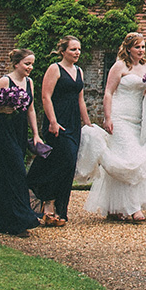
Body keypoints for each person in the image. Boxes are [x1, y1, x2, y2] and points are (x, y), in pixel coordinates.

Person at [76, 32, 146, 222]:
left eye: (143, 47)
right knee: (129, 159)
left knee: (127, 160)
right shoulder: (119, 66)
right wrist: (108, 118)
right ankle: (134, 208)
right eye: (137, 47)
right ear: (128, 48)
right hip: (119, 117)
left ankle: (114, 207)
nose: (141, 50)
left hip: (137, 118)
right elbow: (108, 93)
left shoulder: (145, 67)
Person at [0, 47, 44, 235]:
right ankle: (19, 221)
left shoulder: (29, 82)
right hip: (4, 131)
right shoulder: (5, 80)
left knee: (9, 174)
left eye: (32, 64)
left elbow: (31, 109)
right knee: (17, 172)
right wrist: (1, 109)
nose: (30, 68)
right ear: (16, 64)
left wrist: (36, 134)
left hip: (19, 131)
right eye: (27, 64)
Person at [26, 35, 87, 227]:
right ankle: (48, 201)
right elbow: (46, 96)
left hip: (73, 122)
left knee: (69, 166)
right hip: (57, 121)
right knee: (63, 159)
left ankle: (60, 210)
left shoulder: (79, 71)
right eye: (73, 49)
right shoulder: (55, 68)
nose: (77, 53)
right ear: (63, 51)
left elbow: (80, 99)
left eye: (78, 49)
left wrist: (87, 123)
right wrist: (52, 121)